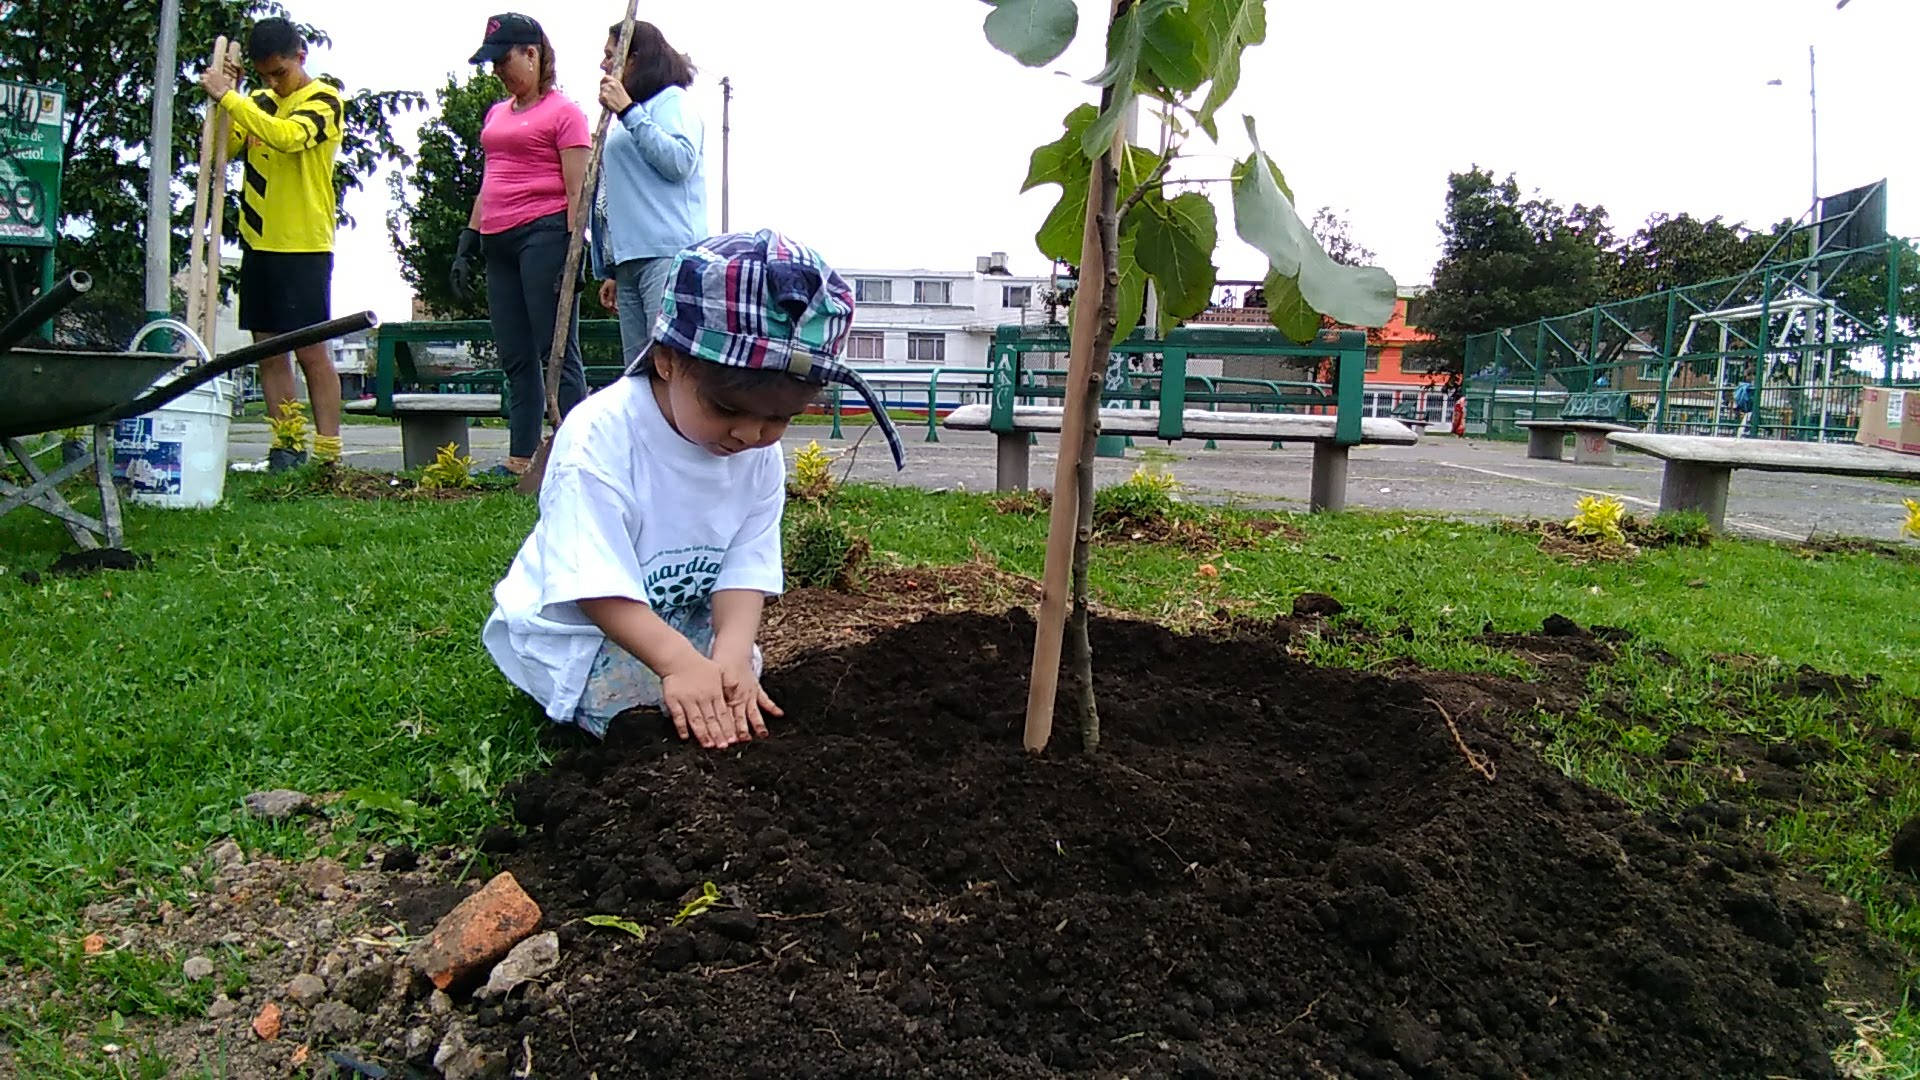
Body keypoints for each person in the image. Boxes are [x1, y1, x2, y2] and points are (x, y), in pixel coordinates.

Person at [482, 230, 905, 747]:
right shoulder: (601, 438)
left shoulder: (758, 457)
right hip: (577, 632)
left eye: (779, 418)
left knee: (735, 672)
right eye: (727, 409)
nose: (752, 434)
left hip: (675, 616)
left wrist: (729, 655)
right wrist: (679, 663)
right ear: (667, 361)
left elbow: (745, 567)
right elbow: (591, 583)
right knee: (647, 709)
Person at [200, 17, 346, 467]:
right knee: (267, 348)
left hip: (303, 243)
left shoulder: (324, 99)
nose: (273, 83)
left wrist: (231, 97)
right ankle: (286, 444)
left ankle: (327, 451)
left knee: (310, 349)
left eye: (279, 73)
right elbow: (219, 152)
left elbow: (286, 138)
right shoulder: (257, 102)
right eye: (264, 76)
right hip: (258, 241)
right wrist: (226, 104)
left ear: (300, 57)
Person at [451, 13, 591, 477]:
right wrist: (468, 240)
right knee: (514, 353)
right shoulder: (496, 114)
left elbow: (578, 190)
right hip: (498, 240)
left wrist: (576, 249)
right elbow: (489, 180)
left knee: (556, 349)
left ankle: (580, 454)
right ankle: (520, 456)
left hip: (545, 235)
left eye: (503, 60)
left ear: (532, 54)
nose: (496, 71)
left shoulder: (565, 114)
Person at [590, 21, 707, 369]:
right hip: (631, 261)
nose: (602, 65)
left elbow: (679, 161)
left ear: (635, 59)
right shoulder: (630, 116)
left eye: (611, 56)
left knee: (669, 366)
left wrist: (629, 111)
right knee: (638, 373)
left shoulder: (671, 102)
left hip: (667, 255)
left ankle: (676, 427)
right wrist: (611, 266)